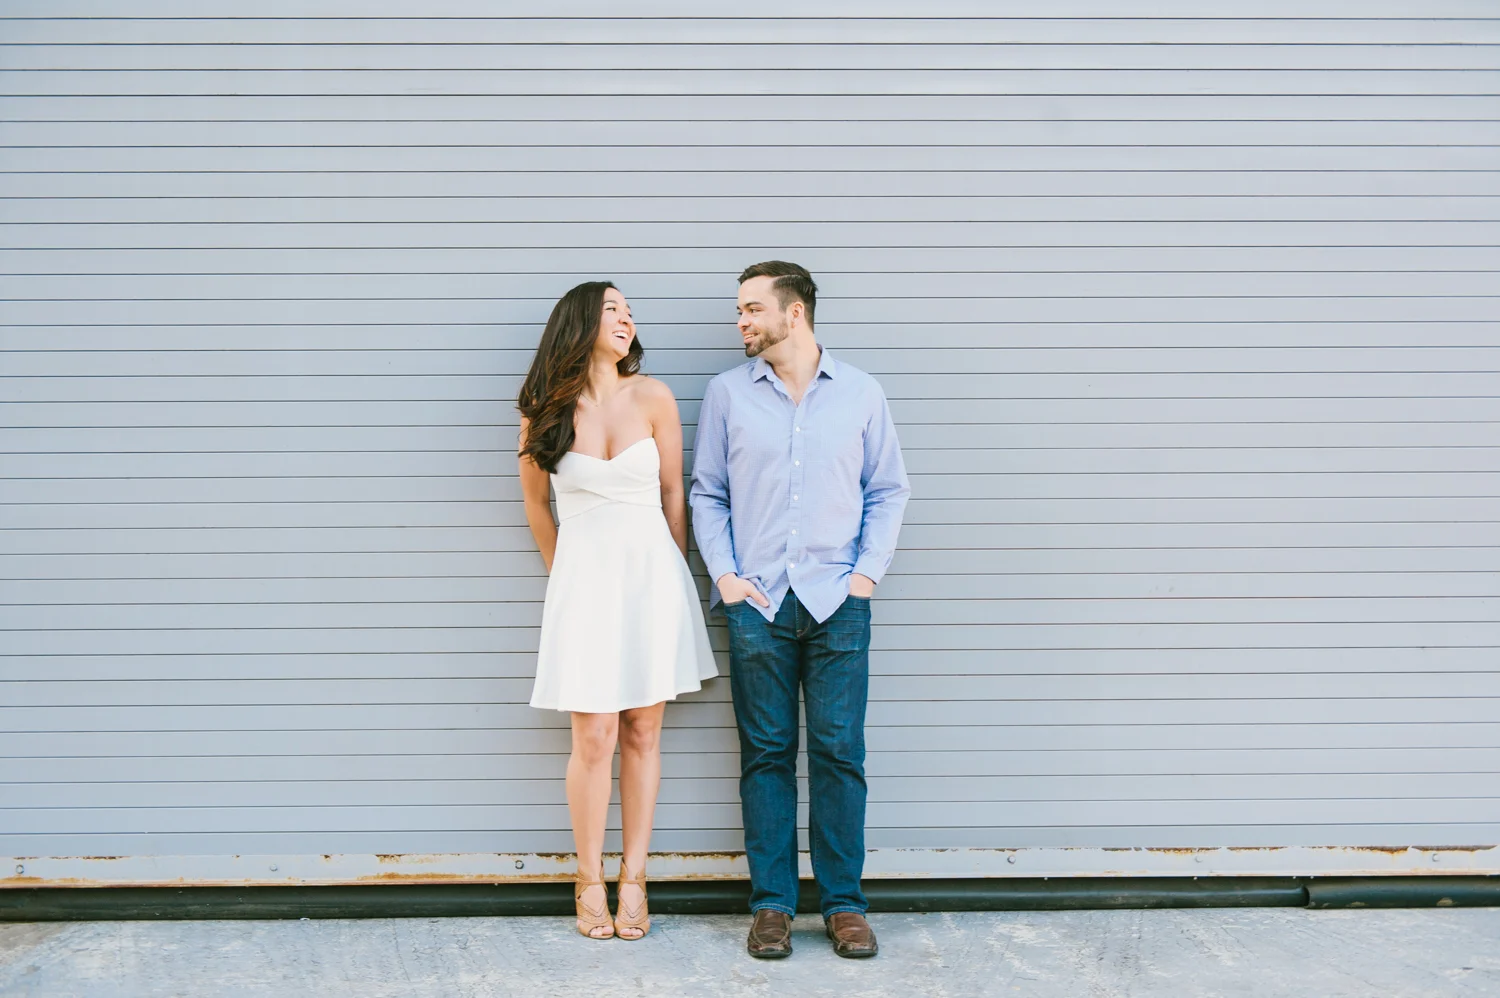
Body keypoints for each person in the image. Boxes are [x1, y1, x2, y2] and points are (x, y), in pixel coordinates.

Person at [690, 261, 910, 959]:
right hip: (757, 605)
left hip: (838, 603)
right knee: (766, 757)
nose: (741, 322)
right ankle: (774, 907)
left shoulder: (862, 393)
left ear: (796, 313)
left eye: (752, 309)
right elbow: (707, 493)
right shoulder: (727, 394)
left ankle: (844, 904)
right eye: (739, 310)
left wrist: (865, 578)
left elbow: (888, 491)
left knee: (841, 754)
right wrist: (724, 576)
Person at [518, 280, 717, 941]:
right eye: (612, 309)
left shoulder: (654, 397)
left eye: (630, 311)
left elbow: (673, 498)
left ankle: (635, 877)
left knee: (642, 732)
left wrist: (677, 582)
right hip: (584, 585)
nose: (626, 319)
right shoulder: (543, 408)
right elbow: (535, 509)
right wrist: (568, 578)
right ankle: (588, 877)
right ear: (579, 321)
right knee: (594, 735)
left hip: (652, 581)